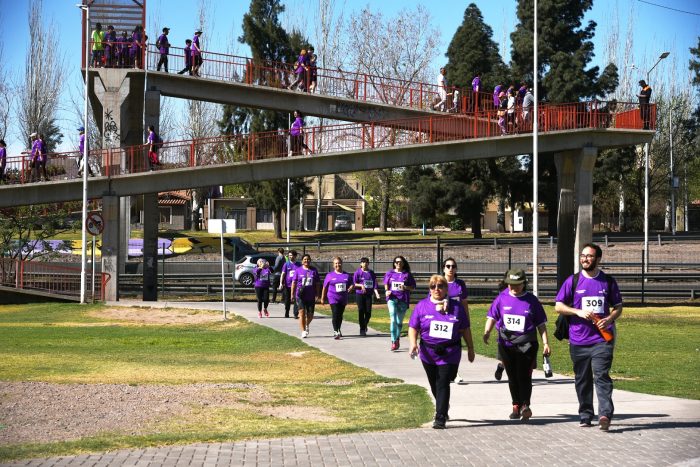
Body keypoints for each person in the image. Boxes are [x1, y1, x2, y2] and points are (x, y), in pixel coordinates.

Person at [555, 243, 623, 431]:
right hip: (578, 340)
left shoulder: (608, 282)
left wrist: (609, 319)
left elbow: (618, 307)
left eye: (589, 256)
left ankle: (605, 415)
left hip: (602, 339)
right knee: (582, 379)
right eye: (583, 256)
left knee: (601, 376)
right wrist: (577, 312)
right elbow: (558, 306)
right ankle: (585, 415)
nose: (585, 259)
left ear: (598, 259)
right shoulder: (573, 281)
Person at [408, 274, 475, 429]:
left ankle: (440, 416)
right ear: (429, 289)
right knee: (434, 383)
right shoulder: (422, 306)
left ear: (446, 289)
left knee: (443, 381)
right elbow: (413, 327)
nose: (436, 289)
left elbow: (465, 329)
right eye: (433, 286)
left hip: (450, 352)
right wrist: (413, 344)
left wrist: (470, 348)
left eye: (440, 286)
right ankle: (443, 405)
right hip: (428, 353)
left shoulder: (456, 307)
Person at [483, 269, 550, 421]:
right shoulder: (501, 298)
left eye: (517, 284)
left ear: (524, 283)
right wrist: (487, 331)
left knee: (524, 375)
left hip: (527, 344)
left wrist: (546, 342)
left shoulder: (531, 300)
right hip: (506, 344)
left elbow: (541, 324)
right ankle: (516, 405)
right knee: (512, 376)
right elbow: (492, 317)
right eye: (510, 284)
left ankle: (525, 405)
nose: (513, 288)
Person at [441, 258, 470, 383]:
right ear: (444, 268)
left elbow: (464, 303)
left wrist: (467, 319)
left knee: (456, 348)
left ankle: (455, 373)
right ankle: (444, 371)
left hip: (457, 320)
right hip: (443, 320)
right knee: (445, 347)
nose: (450, 269)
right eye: (448, 266)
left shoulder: (460, 284)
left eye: (453, 266)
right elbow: (432, 301)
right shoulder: (439, 282)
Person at [384, 255, 416, 351]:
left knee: (399, 322)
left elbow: (413, 286)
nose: (398, 263)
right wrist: (386, 291)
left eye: (400, 262)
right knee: (393, 319)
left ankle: (397, 338)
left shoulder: (407, 274)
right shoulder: (389, 273)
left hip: (403, 300)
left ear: (403, 263)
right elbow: (386, 283)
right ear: (394, 263)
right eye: (396, 262)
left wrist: (406, 288)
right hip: (392, 299)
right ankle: (393, 341)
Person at [321, 257, 354, 339]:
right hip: (333, 297)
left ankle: (338, 329)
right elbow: (325, 287)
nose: (337, 265)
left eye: (339, 263)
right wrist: (322, 298)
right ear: (333, 265)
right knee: (335, 313)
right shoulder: (330, 275)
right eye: (336, 263)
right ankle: (335, 331)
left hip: (343, 298)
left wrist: (351, 287)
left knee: (340, 315)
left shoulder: (347, 275)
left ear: (342, 264)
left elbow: (352, 283)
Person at [291, 254, 320, 338]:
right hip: (300, 296)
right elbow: (294, 283)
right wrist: (292, 294)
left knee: (310, 315)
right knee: (302, 313)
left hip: (311, 296)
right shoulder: (298, 270)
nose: (306, 261)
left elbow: (317, 283)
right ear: (302, 261)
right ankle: (303, 331)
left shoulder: (314, 270)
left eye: (308, 259)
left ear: (310, 260)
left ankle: (307, 324)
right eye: (304, 259)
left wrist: (317, 294)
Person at [354, 257, 381, 336]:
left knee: (368, 313)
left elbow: (374, 284)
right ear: (360, 264)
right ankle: (362, 329)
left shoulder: (371, 273)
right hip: (360, 294)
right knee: (361, 311)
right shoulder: (358, 272)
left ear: (368, 263)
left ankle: (365, 325)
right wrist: (361, 285)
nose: (364, 263)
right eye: (363, 262)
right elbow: (354, 283)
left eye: (366, 262)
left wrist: (377, 293)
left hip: (368, 295)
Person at [279, 250, 301, 318]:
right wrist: (281, 283)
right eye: (289, 255)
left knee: (296, 299)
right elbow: (283, 274)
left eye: (292, 255)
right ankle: (287, 311)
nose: (290, 257)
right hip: (287, 285)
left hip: (296, 285)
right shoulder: (286, 264)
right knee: (287, 300)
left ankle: (295, 313)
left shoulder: (299, 264)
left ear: (295, 256)